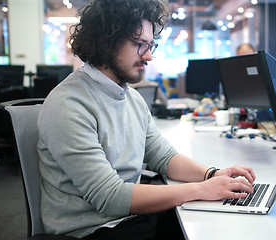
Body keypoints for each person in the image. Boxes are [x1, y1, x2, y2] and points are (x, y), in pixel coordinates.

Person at [37, 0, 255, 239]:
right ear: (106, 41)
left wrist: (212, 175)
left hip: (129, 219)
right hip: (91, 230)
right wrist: (202, 189)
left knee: (216, 224)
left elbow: (164, 157)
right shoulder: (68, 104)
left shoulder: (131, 98)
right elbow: (110, 197)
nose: (149, 56)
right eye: (140, 44)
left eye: (151, 45)